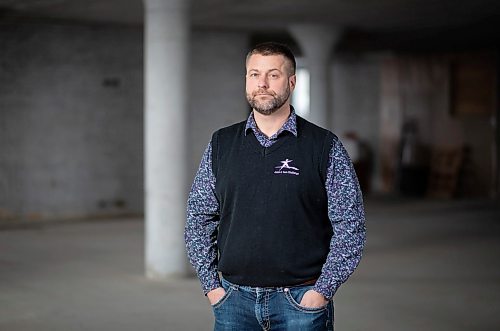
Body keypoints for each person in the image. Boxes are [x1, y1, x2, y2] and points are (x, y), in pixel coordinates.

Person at [185, 42, 366, 331]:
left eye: (273, 75)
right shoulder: (221, 143)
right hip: (233, 301)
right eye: (254, 74)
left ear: (292, 82)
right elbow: (198, 217)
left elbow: (350, 225)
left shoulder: (324, 146)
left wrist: (322, 291)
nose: (262, 84)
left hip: (300, 302)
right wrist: (212, 287)